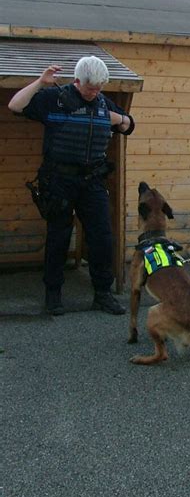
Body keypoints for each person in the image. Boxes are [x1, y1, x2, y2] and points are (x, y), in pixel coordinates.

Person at [8, 56, 135, 315]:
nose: (95, 92)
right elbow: (16, 105)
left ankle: (103, 294)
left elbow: (129, 124)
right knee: (58, 238)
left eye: (99, 88)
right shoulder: (54, 98)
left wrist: (113, 118)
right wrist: (40, 82)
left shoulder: (101, 101)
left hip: (92, 182)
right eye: (91, 88)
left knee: (102, 238)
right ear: (77, 81)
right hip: (59, 181)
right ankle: (53, 296)